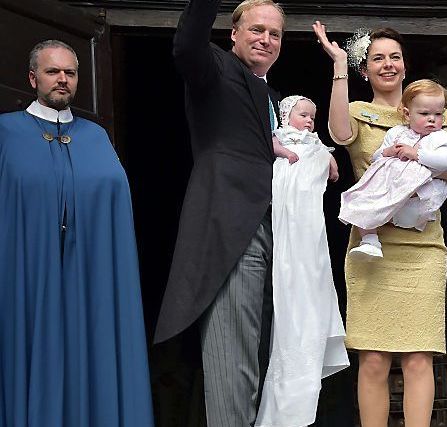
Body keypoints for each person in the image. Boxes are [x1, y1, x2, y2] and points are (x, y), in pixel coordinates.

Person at [313, 23, 447, 427]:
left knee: (419, 355)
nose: (387, 64)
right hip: (373, 249)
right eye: (377, 58)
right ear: (364, 70)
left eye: (395, 57)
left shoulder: (434, 111)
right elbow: (337, 133)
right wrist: (338, 67)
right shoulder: (357, 111)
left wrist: (422, 160)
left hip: (423, 248)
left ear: (405, 67)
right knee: (372, 358)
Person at [0, 40, 153, 427]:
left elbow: (113, 205)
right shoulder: (5, 133)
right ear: (33, 78)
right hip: (28, 280)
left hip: (93, 282)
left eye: (70, 72)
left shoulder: (96, 137)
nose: (63, 80)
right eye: (53, 72)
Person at [153, 0, 285, 426]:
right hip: (233, 229)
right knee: (234, 356)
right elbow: (187, 43)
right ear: (233, 33)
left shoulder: (277, 99)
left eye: (275, 34)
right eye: (256, 29)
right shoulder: (213, 68)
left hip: (279, 232)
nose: (266, 39)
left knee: (269, 354)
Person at [256, 95, 349, 427]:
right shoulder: (276, 138)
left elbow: (329, 169)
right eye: (303, 115)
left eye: (313, 116)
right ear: (286, 115)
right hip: (286, 222)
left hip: (310, 230)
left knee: (312, 287)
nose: (309, 121)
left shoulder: (316, 144)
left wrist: (322, 156)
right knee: (289, 294)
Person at [339, 79, 447, 259]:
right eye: (424, 113)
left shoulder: (441, 137)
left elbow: (446, 162)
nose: (432, 119)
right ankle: (370, 240)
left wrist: (416, 154)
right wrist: (388, 151)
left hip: (417, 199)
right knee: (364, 198)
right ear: (407, 114)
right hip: (390, 189)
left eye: (438, 114)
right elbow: (376, 159)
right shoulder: (396, 133)